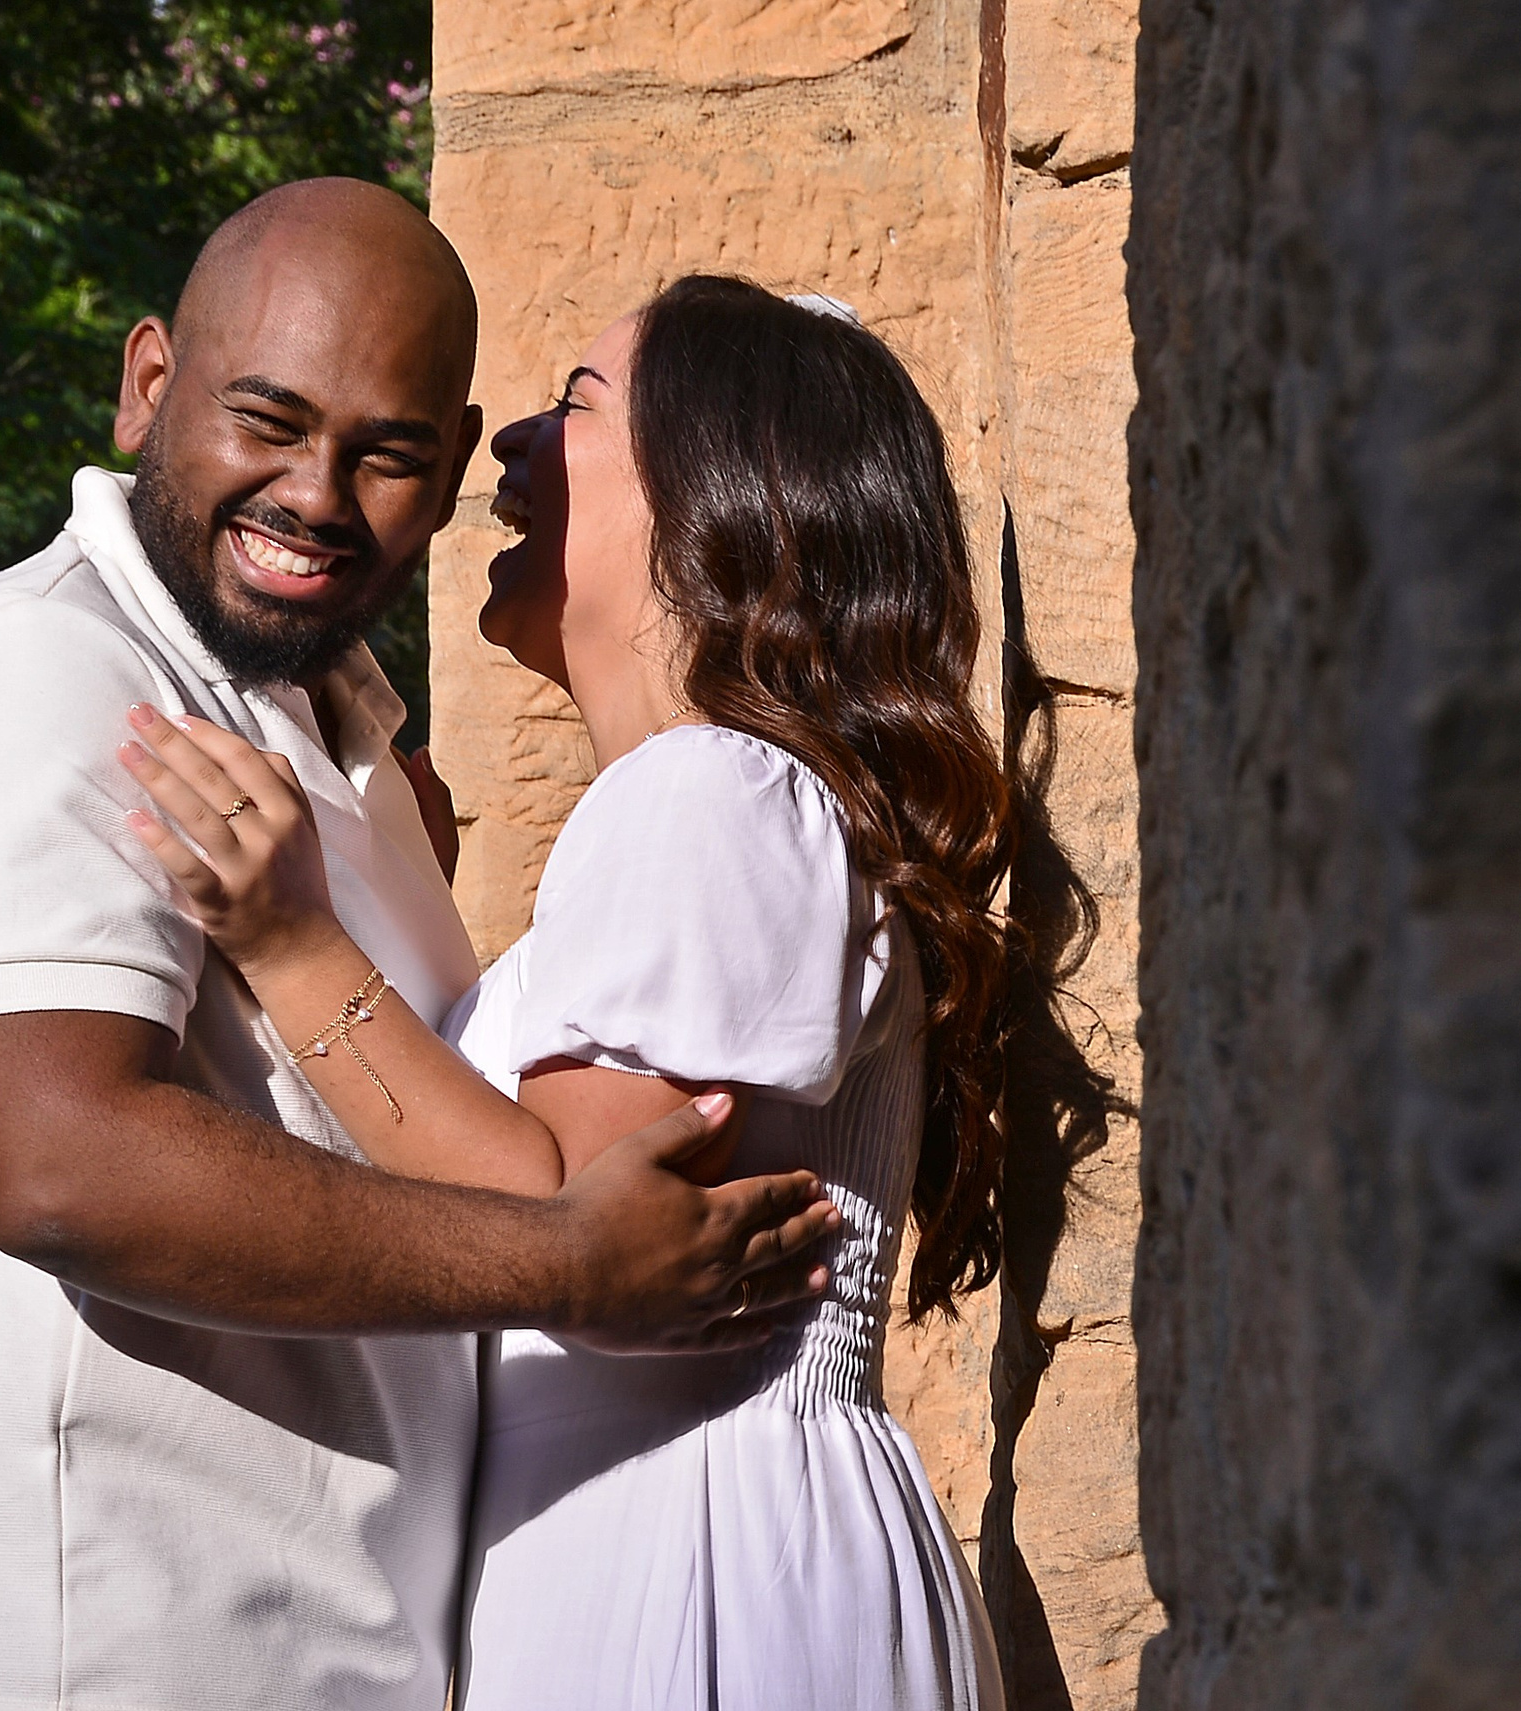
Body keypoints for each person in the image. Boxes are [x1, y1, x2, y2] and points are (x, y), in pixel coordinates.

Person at [0, 186, 840, 1711]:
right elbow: (64, 1161)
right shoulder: (44, 672)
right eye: (269, 417)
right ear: (149, 383)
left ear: (457, 467)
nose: (317, 494)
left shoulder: (360, 750)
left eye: (387, 453)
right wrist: (560, 1269)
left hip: (314, 1646)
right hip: (73, 1644)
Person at [120, 275, 1012, 1708]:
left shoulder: (707, 788)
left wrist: (294, 947)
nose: (513, 445)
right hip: (689, 1518)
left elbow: (582, 1244)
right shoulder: (736, 800)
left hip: (683, 1549)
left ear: (716, 494)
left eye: (581, 405)